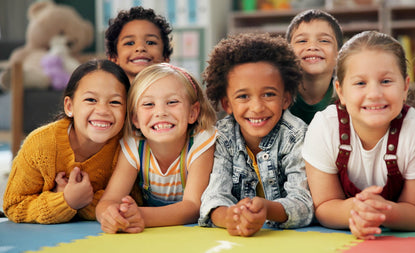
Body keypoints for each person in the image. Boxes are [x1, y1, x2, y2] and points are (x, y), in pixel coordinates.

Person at [303, 31, 415, 240]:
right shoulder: (324, 128)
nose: (375, 94)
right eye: (360, 83)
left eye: (386, 81)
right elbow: (325, 205)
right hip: (360, 201)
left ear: (405, 87)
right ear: (340, 92)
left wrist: (383, 212)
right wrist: (356, 213)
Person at [199, 33, 313, 237]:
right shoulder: (223, 137)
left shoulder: (296, 135)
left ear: (285, 99)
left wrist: (267, 210)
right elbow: (214, 196)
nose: (257, 107)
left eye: (269, 94)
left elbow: (303, 203)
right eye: (243, 96)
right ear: (227, 104)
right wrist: (230, 217)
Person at [3, 59, 130, 224]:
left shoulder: (126, 147)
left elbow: (133, 199)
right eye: (91, 100)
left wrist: (82, 200)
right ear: (69, 106)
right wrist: (65, 200)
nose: (103, 111)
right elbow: (13, 205)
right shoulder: (40, 145)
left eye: (115, 102)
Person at [96, 63, 217, 234]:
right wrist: (110, 216)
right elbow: (108, 201)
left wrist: (141, 216)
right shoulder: (135, 146)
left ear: (193, 112)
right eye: (148, 104)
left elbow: (194, 206)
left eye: (172, 102)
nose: (160, 112)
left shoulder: (201, 141)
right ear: (135, 118)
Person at [286, 9, 343, 124]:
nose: (312, 46)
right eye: (302, 41)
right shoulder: (278, 97)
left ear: (339, 54)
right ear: (288, 52)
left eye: (324, 41)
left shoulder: (347, 98)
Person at [105, 6, 173, 83]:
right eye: (130, 43)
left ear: (165, 57)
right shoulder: (108, 93)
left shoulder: (176, 91)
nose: (140, 48)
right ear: (114, 58)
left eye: (150, 42)